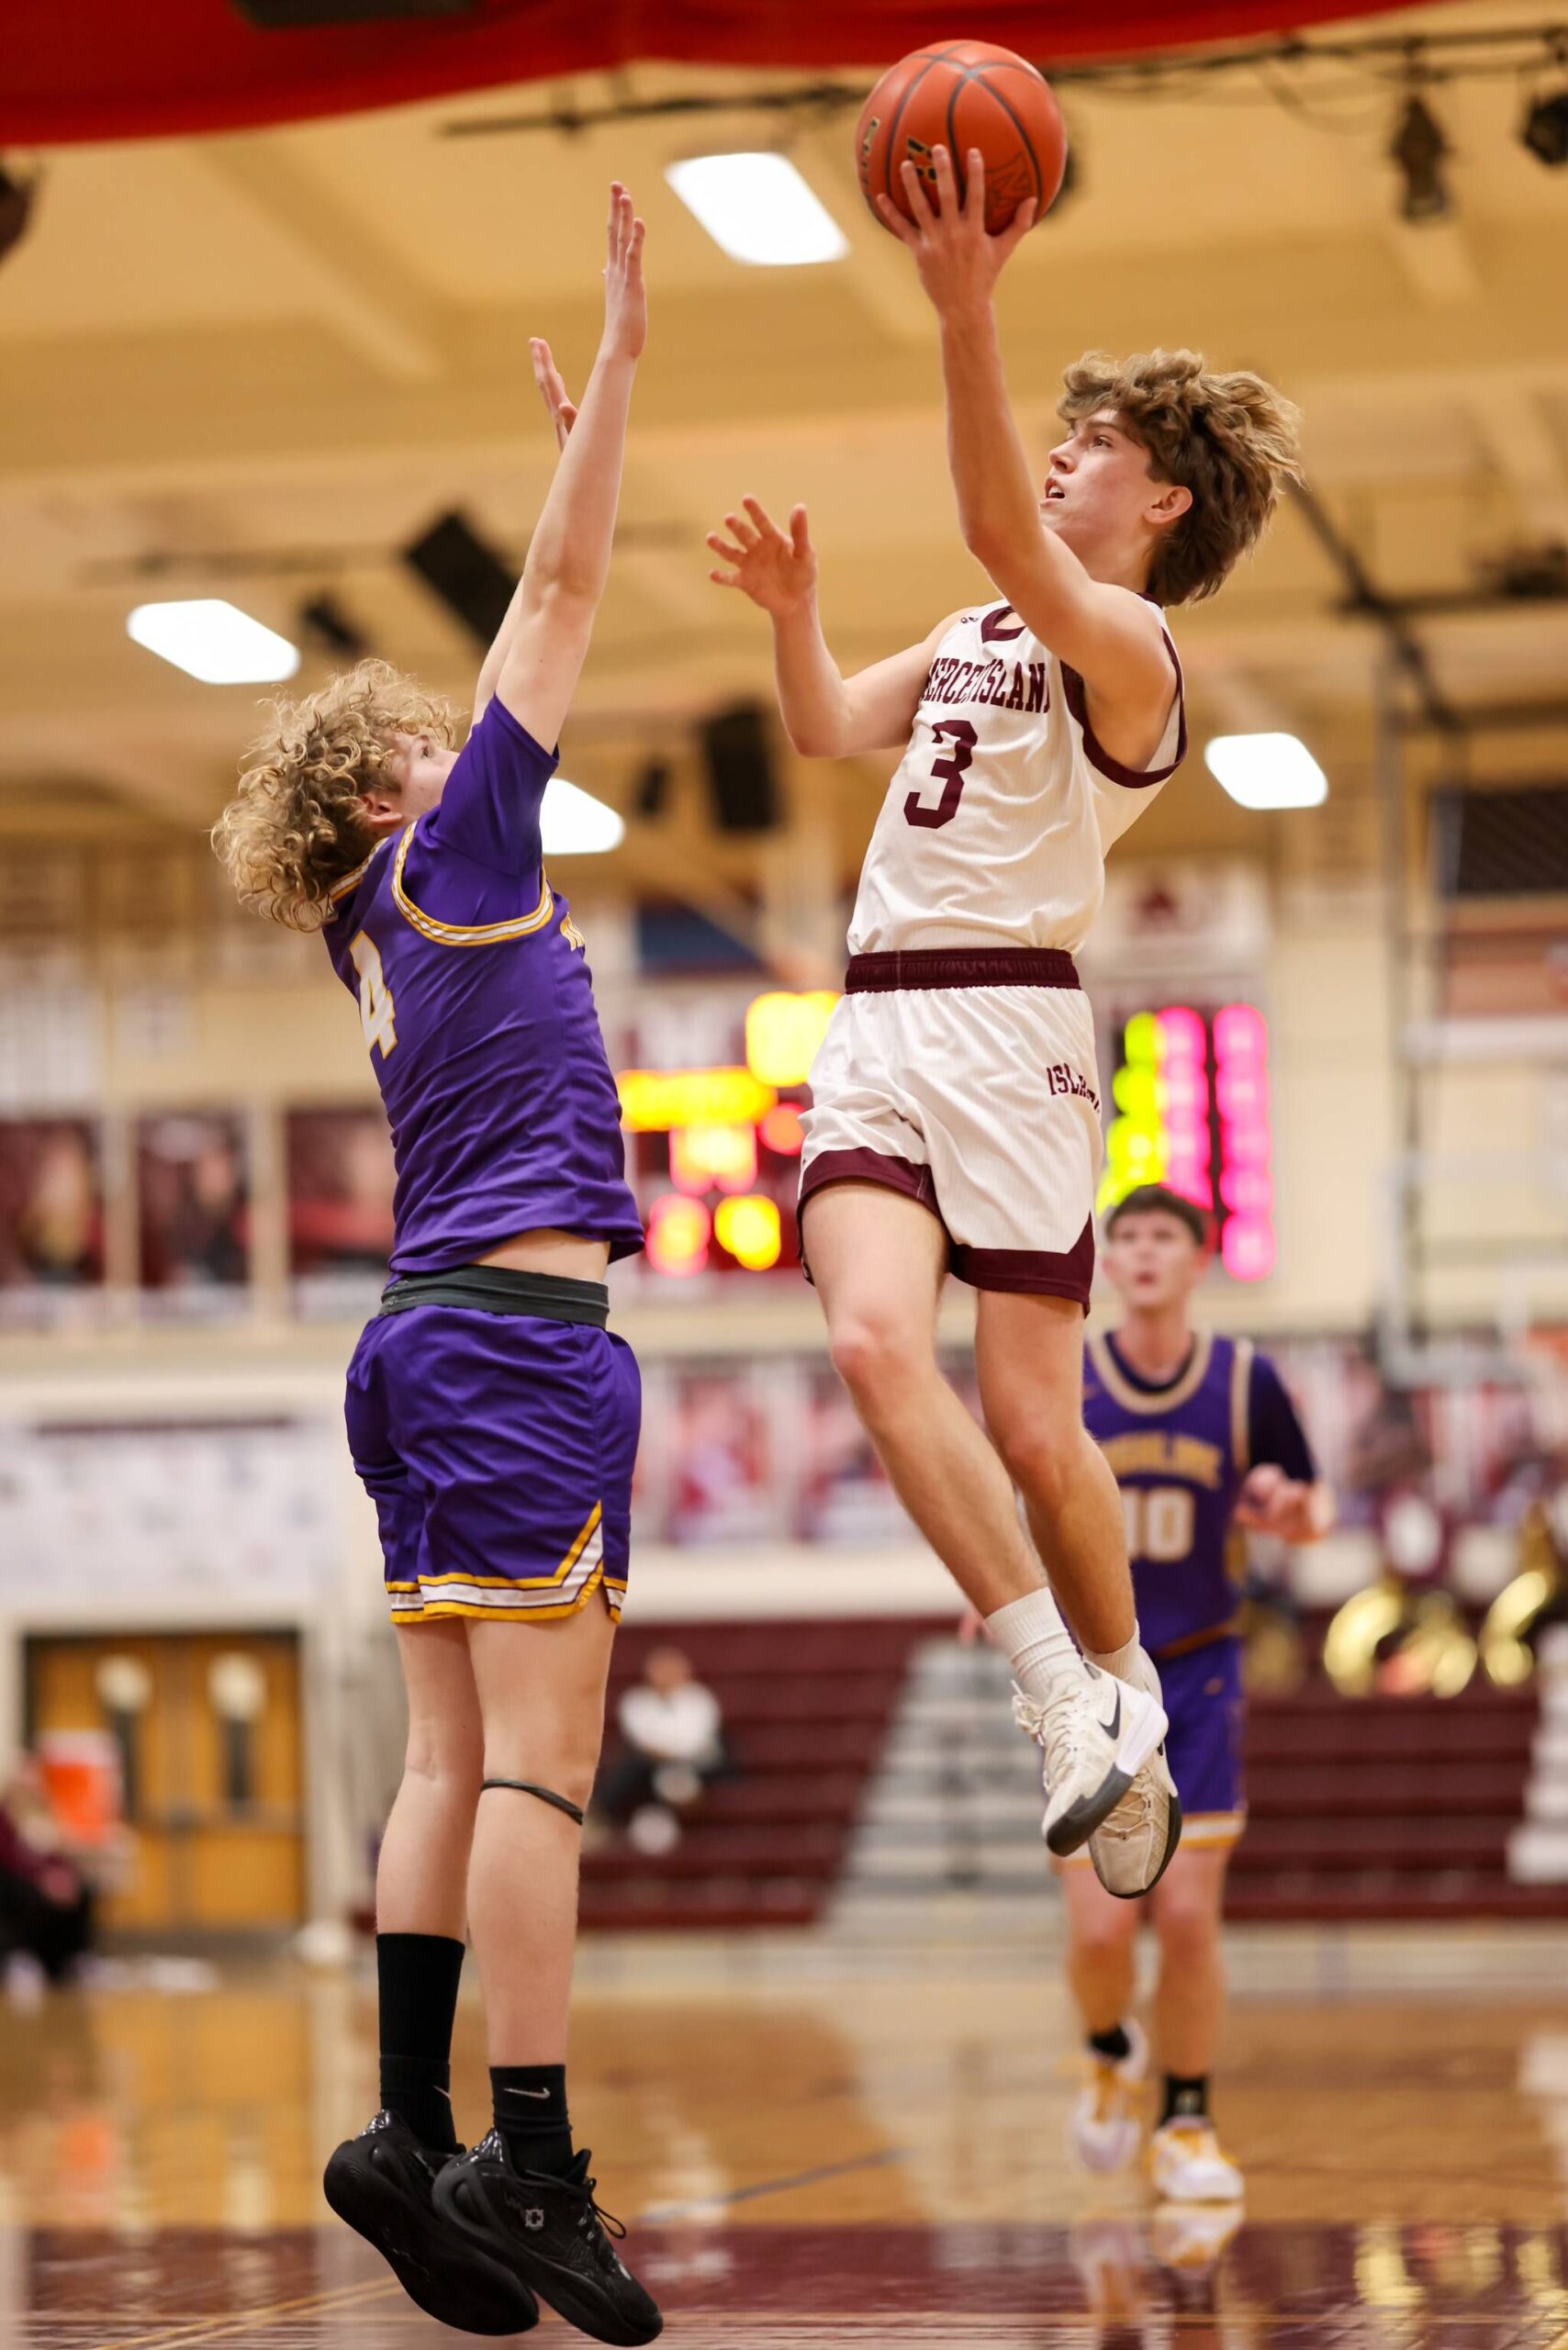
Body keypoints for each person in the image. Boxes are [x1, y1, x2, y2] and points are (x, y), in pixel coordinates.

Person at [706, 144, 1302, 1897]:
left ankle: (1130, 1695)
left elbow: (990, 520)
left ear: (1161, 504)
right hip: (877, 1024)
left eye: (1093, 447)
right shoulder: (979, 624)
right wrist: (795, 623)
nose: (1059, 456)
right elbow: (822, 730)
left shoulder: (1130, 653)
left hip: (1017, 1034)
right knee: (875, 1350)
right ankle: (1065, 1693)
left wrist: (965, 309)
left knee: (1039, 1434)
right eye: (1055, 433)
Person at [213, 186, 660, 2346]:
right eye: (431, 729)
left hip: (416, 1340)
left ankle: (405, 2125)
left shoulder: (359, 919)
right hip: (511, 1338)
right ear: (401, 781)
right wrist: (623, 380)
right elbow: (562, 586)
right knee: (541, 1770)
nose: (463, 733)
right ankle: (536, 2155)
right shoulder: (455, 846)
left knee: (445, 1751)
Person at [1066, 1184, 1332, 2206]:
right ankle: (1105, 2051)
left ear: (1195, 1259)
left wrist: (1292, 1513)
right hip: (1088, 1673)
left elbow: (1313, 1507)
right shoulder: (1066, 1372)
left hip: (1199, 1668)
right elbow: (1014, 1496)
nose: (1138, 1252)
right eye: (1122, 1236)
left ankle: (1185, 2118)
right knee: (1098, 1932)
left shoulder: (1243, 1379)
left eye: (1159, 1237)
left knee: (1183, 1920)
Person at [597, 1646, 728, 1850]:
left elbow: (697, 1739)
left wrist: (670, 1754)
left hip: (695, 1763)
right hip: (650, 1765)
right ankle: (604, 1819)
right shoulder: (636, 1701)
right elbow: (640, 1737)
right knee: (629, 1772)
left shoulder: (699, 1699)